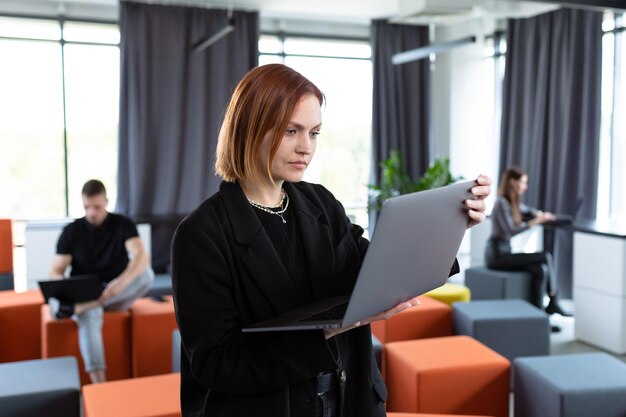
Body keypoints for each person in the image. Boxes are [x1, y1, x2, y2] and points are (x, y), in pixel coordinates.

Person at [171, 63, 491, 417]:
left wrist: (450, 226)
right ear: (249, 128)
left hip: (349, 398)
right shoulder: (201, 234)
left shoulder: (321, 203)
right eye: (291, 131)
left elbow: (376, 268)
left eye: (314, 132)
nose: (305, 147)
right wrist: (325, 331)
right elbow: (218, 363)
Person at [49, 179, 155, 383]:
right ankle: (100, 386)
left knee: (147, 274)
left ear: (106, 201)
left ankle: (80, 307)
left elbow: (141, 256)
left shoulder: (122, 224)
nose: (91, 212)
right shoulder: (72, 231)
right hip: (85, 294)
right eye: (86, 207)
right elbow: (56, 270)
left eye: (96, 207)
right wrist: (62, 288)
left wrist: (122, 282)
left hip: (118, 293)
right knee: (85, 314)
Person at [485, 166, 570, 317]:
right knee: (545, 256)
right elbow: (510, 230)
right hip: (497, 255)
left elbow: (528, 210)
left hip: (505, 252)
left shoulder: (514, 204)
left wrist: (541, 214)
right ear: (512, 182)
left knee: (540, 269)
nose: (525, 187)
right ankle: (554, 300)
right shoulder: (501, 203)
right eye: (523, 182)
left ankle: (538, 316)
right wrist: (535, 221)